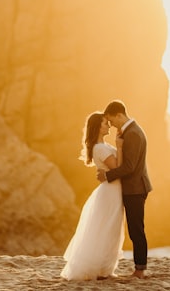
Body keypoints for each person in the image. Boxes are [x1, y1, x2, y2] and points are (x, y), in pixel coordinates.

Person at [60, 111, 125, 281]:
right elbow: (117, 168)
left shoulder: (102, 146)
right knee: (107, 229)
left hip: (112, 190)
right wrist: (119, 146)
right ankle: (102, 270)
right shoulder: (101, 148)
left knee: (110, 228)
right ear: (97, 127)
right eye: (105, 123)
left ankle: (105, 269)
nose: (108, 126)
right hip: (111, 192)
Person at [97, 100, 151, 278]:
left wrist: (108, 176)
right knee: (135, 228)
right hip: (133, 187)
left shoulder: (133, 133)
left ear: (119, 115)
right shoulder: (129, 131)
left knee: (136, 229)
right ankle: (139, 267)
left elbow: (129, 167)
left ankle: (140, 269)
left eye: (111, 120)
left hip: (135, 188)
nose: (111, 125)